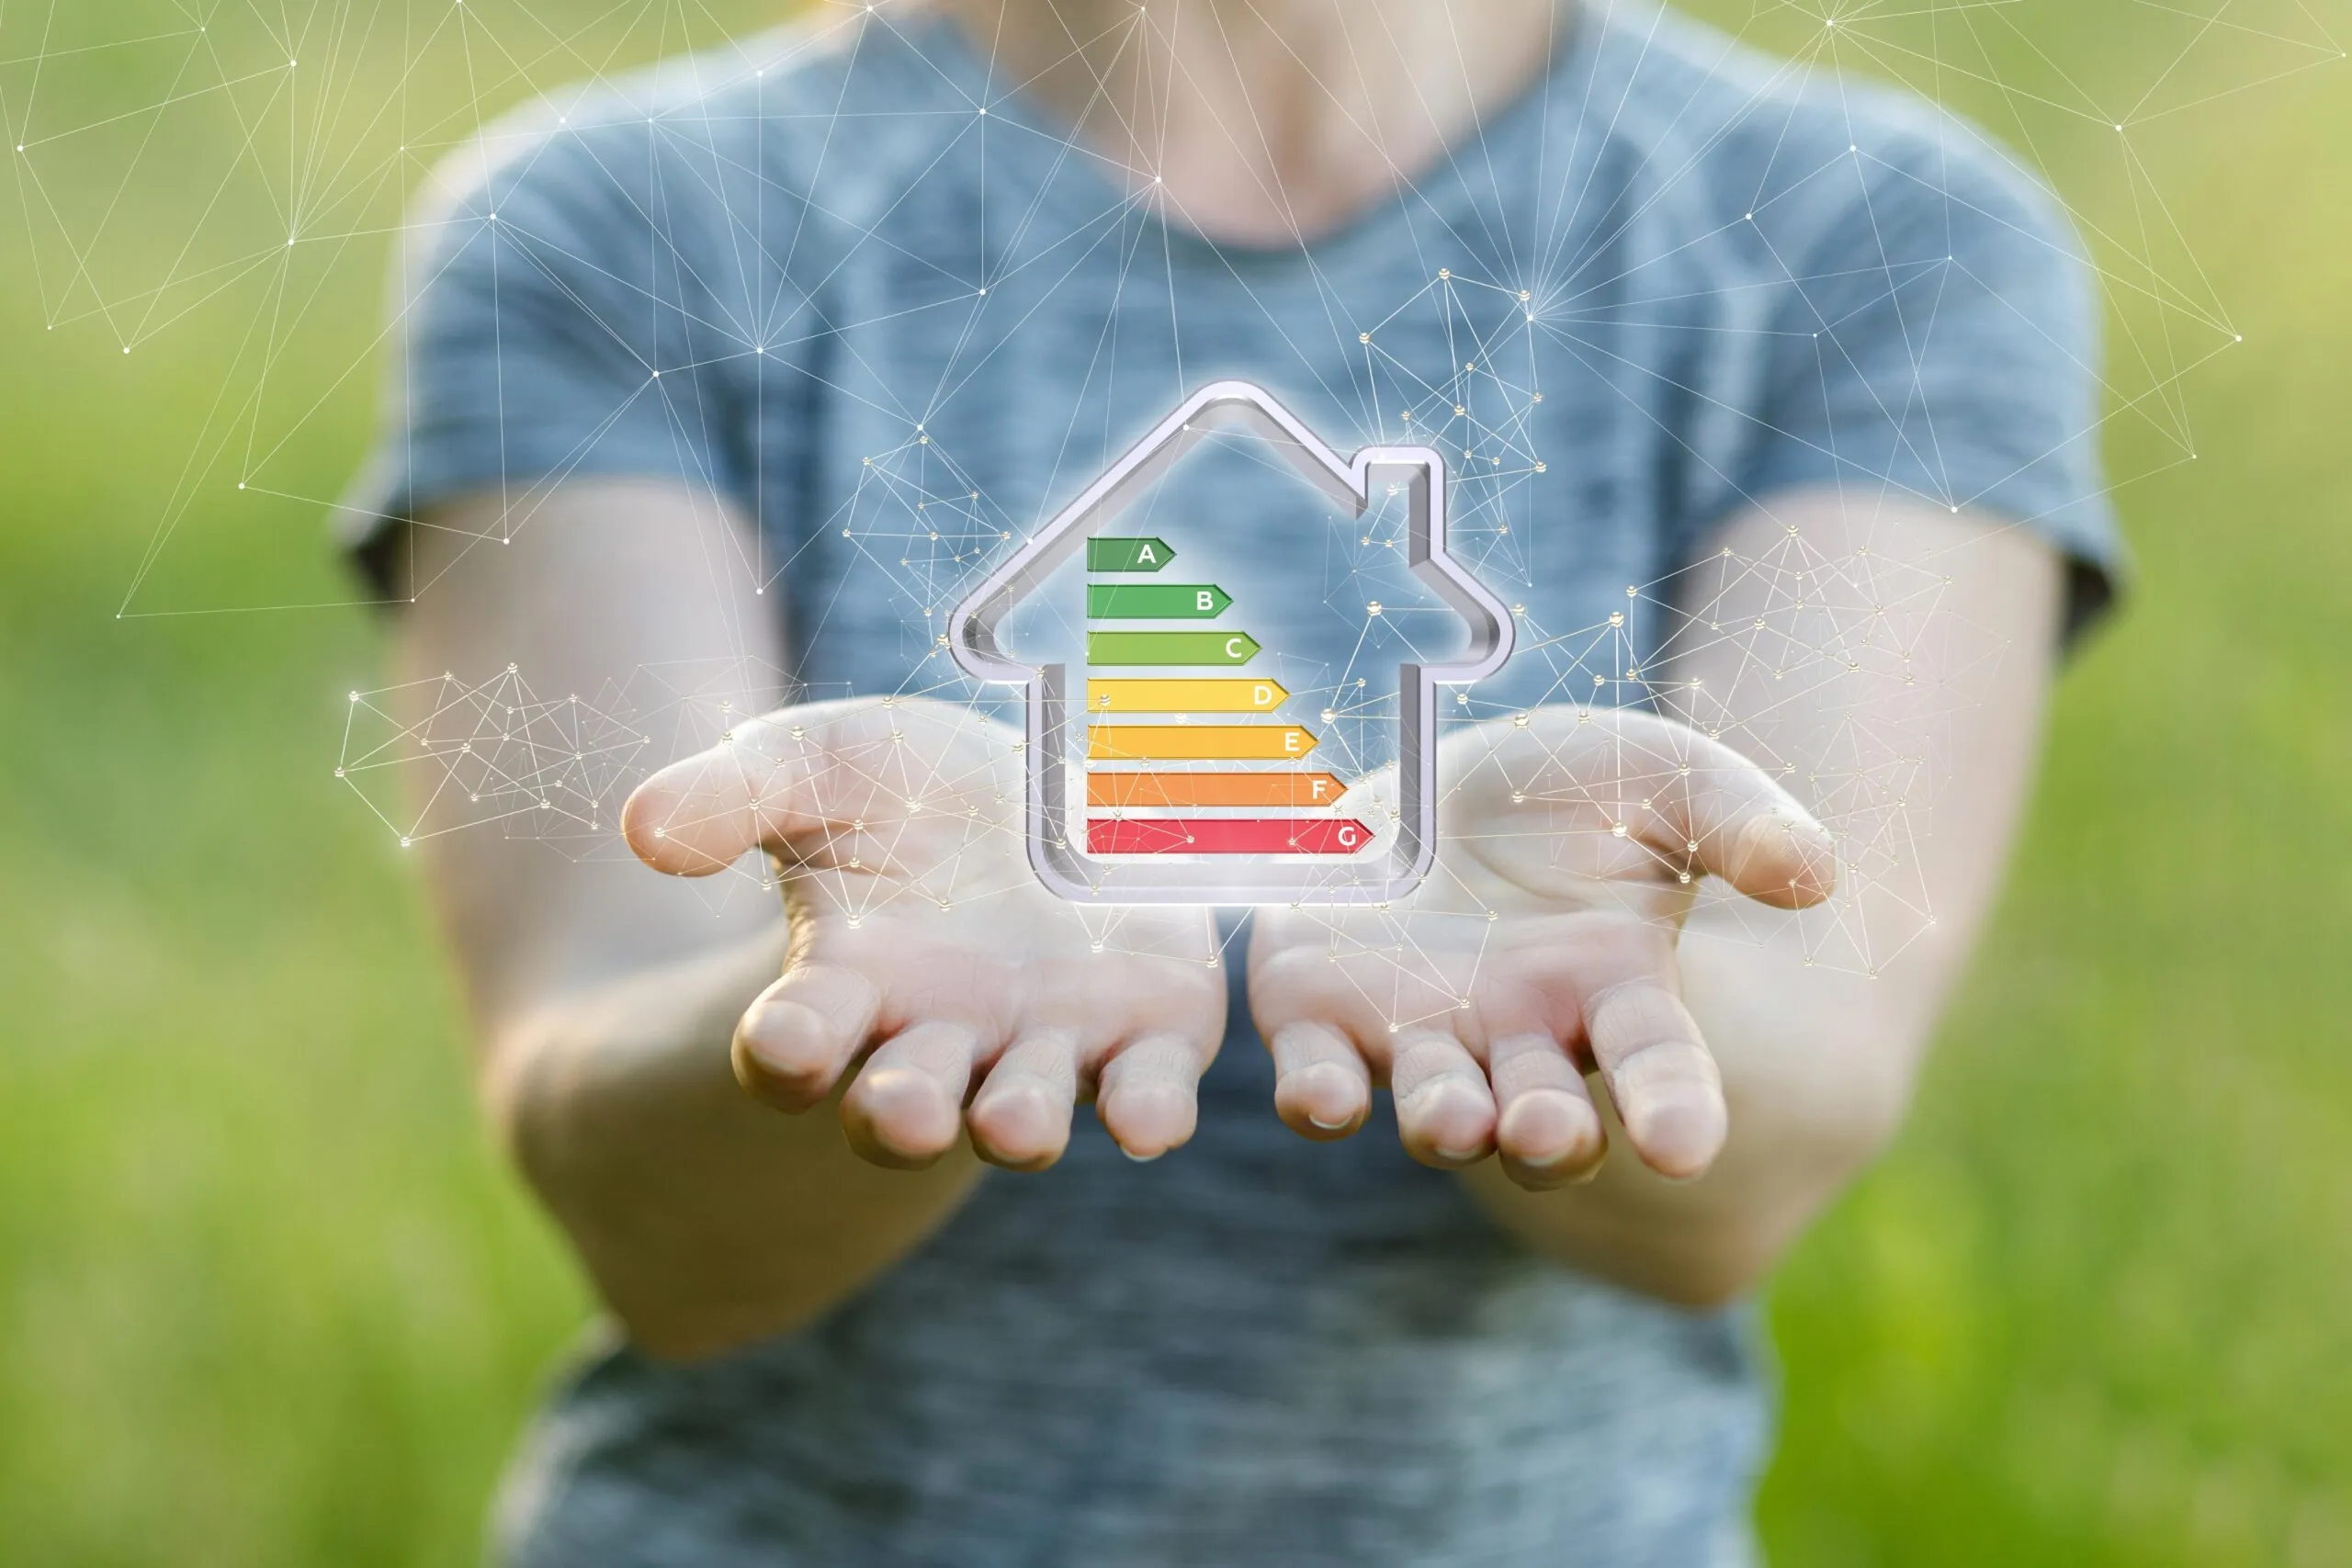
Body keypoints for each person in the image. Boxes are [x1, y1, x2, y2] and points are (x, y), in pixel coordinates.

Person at [338, 0, 2120, 1561]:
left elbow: (1756, 1151)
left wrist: (1577, 1000)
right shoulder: (620, 232)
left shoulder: (1876, 242)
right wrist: (862, 1001)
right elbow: (648, 1212)